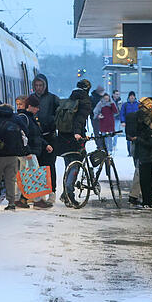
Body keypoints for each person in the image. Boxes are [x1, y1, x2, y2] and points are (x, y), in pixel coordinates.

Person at [0, 97, 28, 210]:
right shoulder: (14, 117)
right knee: (10, 178)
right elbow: (25, 130)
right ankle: (11, 203)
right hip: (13, 154)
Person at [57, 79, 94, 207]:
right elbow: (80, 119)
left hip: (63, 137)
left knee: (69, 165)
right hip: (75, 137)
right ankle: (69, 194)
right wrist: (78, 133)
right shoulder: (86, 101)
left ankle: (65, 193)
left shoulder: (70, 99)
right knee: (75, 166)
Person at [15, 94, 53, 209]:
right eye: (36, 107)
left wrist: (45, 145)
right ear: (30, 106)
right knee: (35, 175)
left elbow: (36, 135)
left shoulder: (30, 117)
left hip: (28, 152)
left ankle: (19, 199)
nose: (38, 109)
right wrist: (27, 152)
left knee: (23, 176)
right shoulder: (24, 118)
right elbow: (21, 136)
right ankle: (38, 201)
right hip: (28, 152)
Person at [32, 74, 60, 202]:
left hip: (50, 137)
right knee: (37, 165)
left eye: (41, 85)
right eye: (36, 85)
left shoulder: (53, 99)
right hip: (35, 138)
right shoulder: (30, 99)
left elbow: (59, 115)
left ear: (45, 85)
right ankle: (40, 192)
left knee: (49, 165)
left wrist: (52, 121)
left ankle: (52, 191)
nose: (39, 88)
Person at [119, 92, 140, 156]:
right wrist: (123, 121)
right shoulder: (125, 105)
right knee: (129, 138)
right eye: (131, 96)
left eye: (133, 96)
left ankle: (136, 152)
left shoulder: (138, 104)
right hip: (128, 124)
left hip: (137, 124)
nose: (132, 97)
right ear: (128, 97)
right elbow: (122, 113)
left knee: (137, 137)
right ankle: (130, 152)